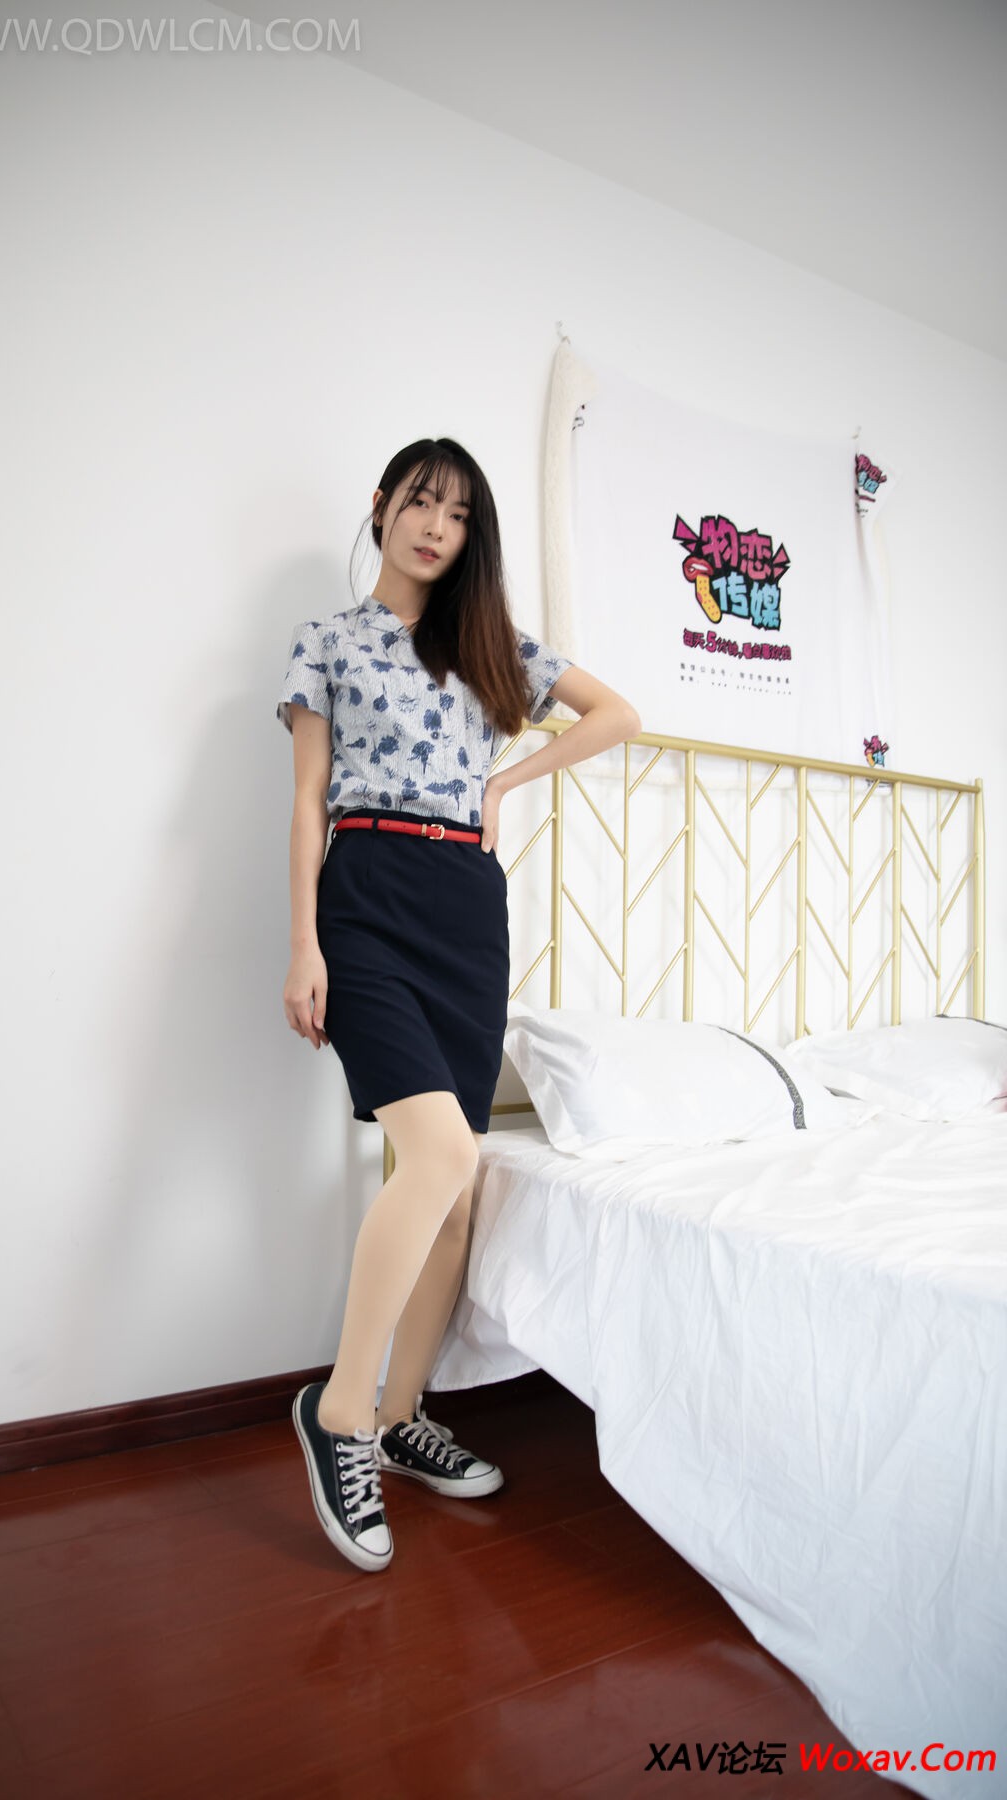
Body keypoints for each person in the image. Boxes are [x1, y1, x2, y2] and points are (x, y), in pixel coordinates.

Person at [276, 437, 641, 1572]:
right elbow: (307, 801)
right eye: (421, 502)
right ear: (382, 506)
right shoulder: (326, 641)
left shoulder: (493, 647)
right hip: (366, 895)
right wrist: (303, 944)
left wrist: (503, 780)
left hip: (466, 910)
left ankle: (400, 1416)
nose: (437, 527)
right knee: (435, 1154)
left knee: (459, 1184)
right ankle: (340, 1413)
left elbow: (617, 713)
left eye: (460, 514)